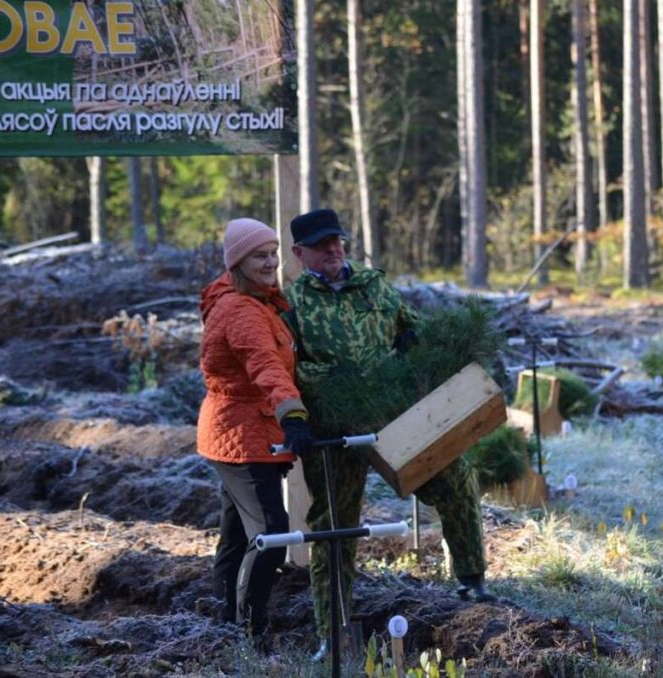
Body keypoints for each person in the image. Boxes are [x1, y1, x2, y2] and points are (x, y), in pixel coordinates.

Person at [281, 208, 493, 649]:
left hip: (392, 417)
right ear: (300, 253)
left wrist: (427, 348)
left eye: (337, 241)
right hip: (333, 431)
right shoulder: (293, 303)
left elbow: (414, 329)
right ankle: (332, 631)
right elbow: (289, 369)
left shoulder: (374, 285)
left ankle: (472, 580)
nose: (334, 250)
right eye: (321, 245)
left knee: (456, 479)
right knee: (334, 525)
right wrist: (316, 398)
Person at [196, 218, 316, 640]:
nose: (269, 263)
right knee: (270, 533)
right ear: (238, 262)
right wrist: (293, 414)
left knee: (235, 534)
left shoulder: (260, 301)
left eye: (272, 254)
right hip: (243, 438)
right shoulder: (241, 311)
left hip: (244, 432)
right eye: (259, 256)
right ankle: (251, 630)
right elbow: (265, 366)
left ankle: (223, 618)